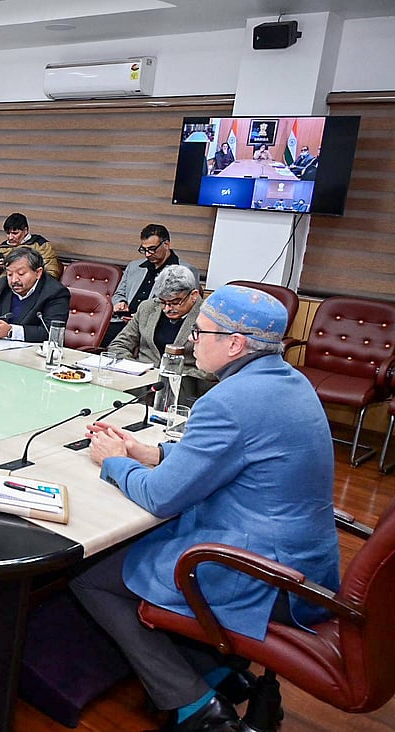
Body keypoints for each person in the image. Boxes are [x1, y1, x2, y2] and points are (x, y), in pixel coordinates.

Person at [71, 285, 340, 732]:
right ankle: (218, 674)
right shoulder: (289, 381)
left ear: (234, 344)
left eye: (199, 332)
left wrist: (113, 462)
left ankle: (197, 708)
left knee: (91, 578)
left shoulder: (227, 401)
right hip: (308, 563)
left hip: (261, 573)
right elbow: (234, 455)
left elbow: (160, 497)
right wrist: (148, 451)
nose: (188, 340)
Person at [106, 265, 216, 401]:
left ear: (193, 295)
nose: (167, 309)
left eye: (175, 302)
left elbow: (214, 368)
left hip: (186, 388)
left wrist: (171, 375)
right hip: (141, 382)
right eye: (163, 302)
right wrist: (136, 368)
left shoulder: (209, 317)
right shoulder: (148, 307)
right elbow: (118, 345)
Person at [0, 246, 71, 342]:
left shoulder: (55, 293)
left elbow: (51, 332)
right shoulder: (2, 285)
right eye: (9, 274)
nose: (14, 280)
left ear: (38, 273)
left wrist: (10, 331)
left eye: (21, 274)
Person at [111, 224, 201, 322]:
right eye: (144, 249)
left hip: (154, 325)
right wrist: (120, 303)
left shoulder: (185, 271)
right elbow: (118, 294)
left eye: (152, 249)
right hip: (121, 321)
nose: (147, 254)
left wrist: (144, 315)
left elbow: (187, 306)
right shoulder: (134, 266)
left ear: (166, 244)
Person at [0, 213, 61, 280]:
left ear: (25, 230)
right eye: (8, 233)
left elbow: (52, 273)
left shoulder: (40, 245)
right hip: (7, 287)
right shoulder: (2, 248)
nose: (10, 237)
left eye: (15, 233)